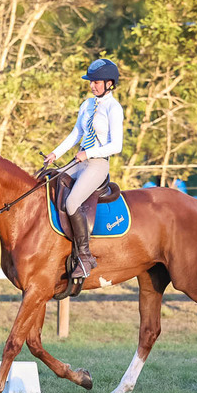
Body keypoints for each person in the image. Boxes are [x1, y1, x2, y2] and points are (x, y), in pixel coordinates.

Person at [44, 58, 124, 279]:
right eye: (91, 82)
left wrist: (87, 153)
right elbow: (76, 134)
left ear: (109, 83)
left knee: (71, 202)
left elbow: (117, 145)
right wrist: (55, 154)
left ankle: (85, 257)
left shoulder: (113, 108)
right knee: (48, 183)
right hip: (79, 161)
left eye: (97, 82)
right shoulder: (87, 105)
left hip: (97, 164)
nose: (92, 85)